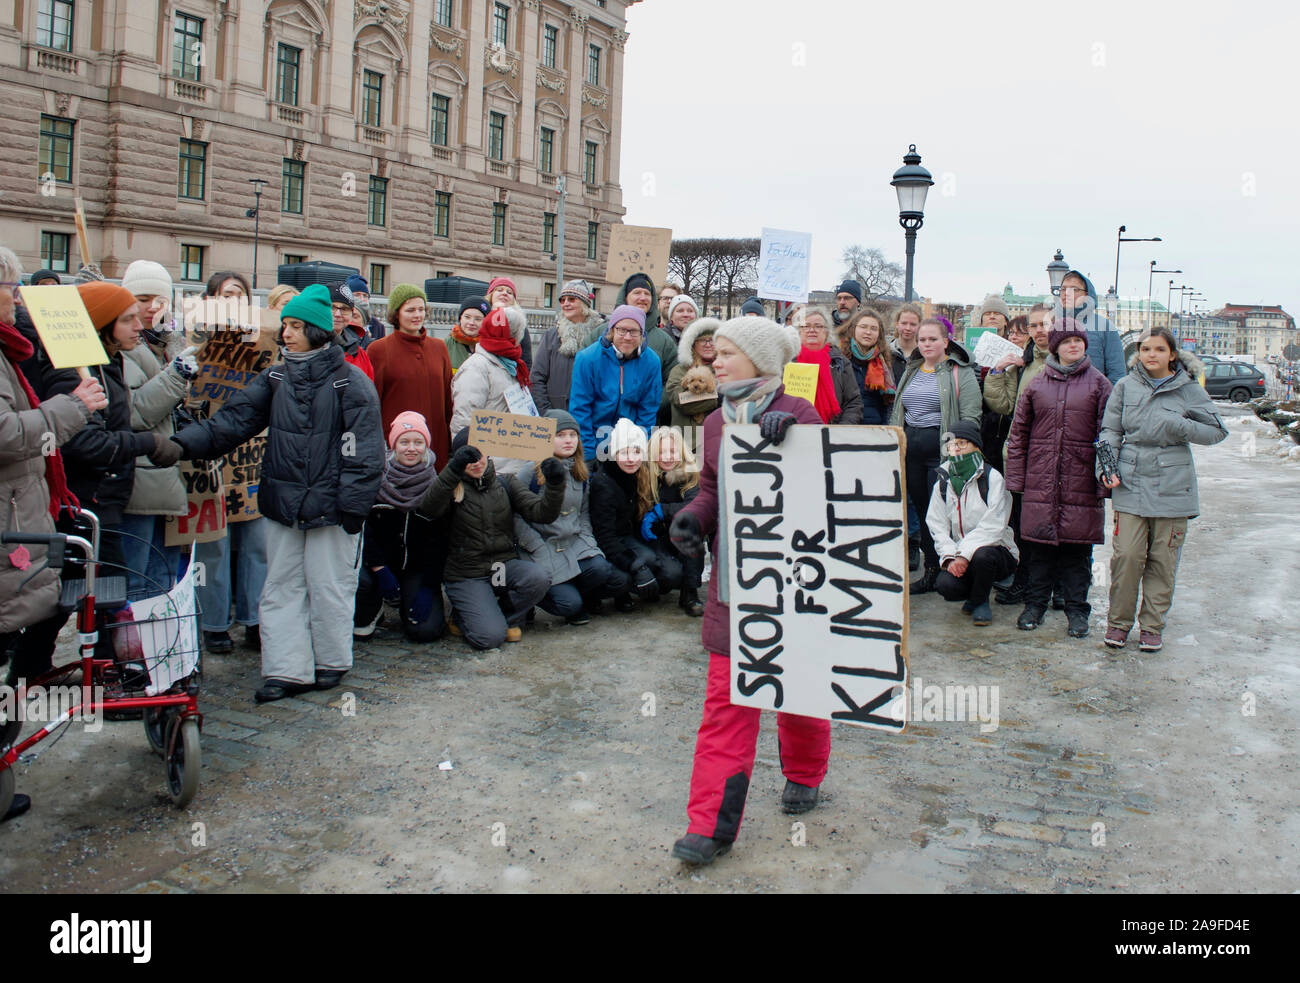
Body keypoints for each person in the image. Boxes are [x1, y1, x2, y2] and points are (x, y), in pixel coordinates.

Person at [170, 284, 385, 701]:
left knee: (329, 586)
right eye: (285, 325)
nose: (285, 333)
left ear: (319, 331)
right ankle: (287, 669)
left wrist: (354, 506)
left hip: (333, 508)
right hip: (283, 503)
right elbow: (232, 422)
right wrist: (180, 444)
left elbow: (366, 452)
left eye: (296, 326)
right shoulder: (275, 377)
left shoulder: (351, 384)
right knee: (281, 587)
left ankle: (331, 661)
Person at [666, 314, 829, 865]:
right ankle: (708, 825)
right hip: (734, 587)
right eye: (715, 353)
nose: (715, 360)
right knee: (725, 703)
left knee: (799, 688)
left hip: (795, 584)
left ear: (759, 361)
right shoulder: (715, 423)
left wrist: (797, 447)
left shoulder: (802, 414)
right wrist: (695, 517)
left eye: (727, 352)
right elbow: (713, 488)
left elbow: (829, 493)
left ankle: (805, 773)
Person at [1, 247, 105, 821]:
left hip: (23, 516)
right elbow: (4, 432)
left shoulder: (10, 348)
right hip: (9, 528)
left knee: (29, 629)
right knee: (13, 640)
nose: (16, 299)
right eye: (9, 289)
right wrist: (71, 408)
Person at [43, 283, 184, 586]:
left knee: (103, 598)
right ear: (101, 323)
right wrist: (148, 442)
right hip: (82, 503)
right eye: (126, 319)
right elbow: (85, 442)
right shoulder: (72, 371)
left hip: (106, 499)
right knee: (93, 598)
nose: (138, 326)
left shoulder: (109, 362)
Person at [1098, 328, 1227, 652]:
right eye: (1144, 349)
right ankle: (1118, 623)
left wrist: (1180, 425)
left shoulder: (1187, 390)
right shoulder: (1125, 387)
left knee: (1162, 560)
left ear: (1172, 354)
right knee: (1127, 555)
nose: (1150, 354)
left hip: (1173, 482)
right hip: (1131, 479)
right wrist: (1106, 467)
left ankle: (1152, 626)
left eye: (1158, 349)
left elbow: (1217, 431)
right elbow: (1110, 430)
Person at [1003, 319, 1113, 637]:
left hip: (1080, 482)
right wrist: (1017, 480)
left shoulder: (1099, 384)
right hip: (1041, 481)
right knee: (1038, 551)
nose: (1073, 346)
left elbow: (1107, 436)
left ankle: (1078, 612)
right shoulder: (1037, 384)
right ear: (1055, 347)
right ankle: (1034, 606)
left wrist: (1102, 480)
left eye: (1078, 340)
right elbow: (1019, 434)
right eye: (1066, 342)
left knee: (1078, 554)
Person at [418, 428, 565, 649]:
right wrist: (453, 470)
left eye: (482, 454)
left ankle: (505, 616)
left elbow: (541, 513)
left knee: (539, 577)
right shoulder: (450, 487)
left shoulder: (505, 483)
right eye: (470, 458)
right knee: (489, 638)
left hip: (501, 566)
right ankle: (465, 615)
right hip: (466, 574)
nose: (478, 462)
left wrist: (554, 484)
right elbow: (427, 509)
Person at [191, 271, 268, 654]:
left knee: (256, 544)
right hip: (211, 452)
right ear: (210, 299)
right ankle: (214, 623)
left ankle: (254, 620)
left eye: (239, 294)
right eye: (226, 293)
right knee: (214, 546)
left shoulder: (261, 341)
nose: (233, 299)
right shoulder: (193, 341)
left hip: (251, 453)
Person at [118, 260, 194, 597]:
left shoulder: (168, 343)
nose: (152, 308)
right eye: (143, 298)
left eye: (160, 299)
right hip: (139, 480)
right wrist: (177, 375)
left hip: (164, 476)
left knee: (162, 580)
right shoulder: (123, 348)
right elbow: (134, 413)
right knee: (133, 580)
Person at [890, 318, 982, 593]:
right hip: (912, 452)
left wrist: (957, 454)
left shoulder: (959, 371)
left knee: (946, 514)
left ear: (946, 342)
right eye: (922, 339)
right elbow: (900, 409)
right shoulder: (913, 369)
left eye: (932, 339)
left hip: (942, 452)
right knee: (922, 512)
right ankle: (931, 570)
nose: (926, 344)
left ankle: (955, 571)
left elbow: (971, 416)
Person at [513, 409, 629, 624]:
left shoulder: (581, 472)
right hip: (542, 547)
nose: (568, 440)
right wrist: (536, 547)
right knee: (569, 604)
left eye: (572, 435)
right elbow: (516, 517)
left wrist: (589, 544)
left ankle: (578, 592)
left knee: (606, 573)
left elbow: (583, 515)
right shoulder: (530, 473)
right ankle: (544, 597)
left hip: (574, 545)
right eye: (560, 435)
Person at [353, 411, 449, 642]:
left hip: (415, 568)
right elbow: (363, 529)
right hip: (379, 565)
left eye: (418, 442)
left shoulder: (435, 484)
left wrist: (428, 585)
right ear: (393, 444)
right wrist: (379, 568)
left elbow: (440, 541)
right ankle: (371, 608)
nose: (411, 448)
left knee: (426, 631)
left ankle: (411, 598)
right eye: (404, 442)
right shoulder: (376, 478)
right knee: (362, 583)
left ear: (426, 446)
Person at [984, 304, 1052, 605]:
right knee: (1024, 522)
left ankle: (1055, 586)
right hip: (1024, 455)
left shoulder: (1066, 361)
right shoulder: (1024, 364)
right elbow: (1004, 404)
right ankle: (1025, 582)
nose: (1039, 331)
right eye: (1034, 326)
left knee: (1050, 523)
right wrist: (999, 371)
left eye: (1044, 324)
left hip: (1053, 454)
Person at [927, 421, 1018, 626]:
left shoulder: (992, 478)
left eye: (963, 443)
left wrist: (965, 555)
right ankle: (974, 593)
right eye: (952, 444)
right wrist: (950, 557)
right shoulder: (943, 480)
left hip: (997, 551)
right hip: (960, 553)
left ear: (976, 447)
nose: (957, 448)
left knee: (983, 555)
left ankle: (980, 601)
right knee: (945, 584)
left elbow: (993, 526)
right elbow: (936, 524)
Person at [589, 418, 677, 610]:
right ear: (614, 454)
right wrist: (635, 565)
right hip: (608, 544)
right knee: (641, 564)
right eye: (624, 452)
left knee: (667, 571)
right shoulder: (604, 484)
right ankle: (622, 591)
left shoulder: (640, 475)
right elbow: (604, 536)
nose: (631, 458)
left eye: (636, 451)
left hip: (630, 537)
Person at [366, 283, 454, 469]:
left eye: (421, 309)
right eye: (410, 310)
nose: (417, 315)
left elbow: (448, 400)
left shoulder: (439, 347)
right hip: (398, 446)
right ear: (396, 314)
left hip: (436, 444)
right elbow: (373, 404)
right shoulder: (379, 350)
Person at [568, 305, 662, 460]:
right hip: (593, 436)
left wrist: (637, 448)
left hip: (629, 444)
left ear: (642, 334)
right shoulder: (587, 358)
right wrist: (589, 453)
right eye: (622, 330)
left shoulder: (651, 362)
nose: (627, 337)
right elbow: (580, 408)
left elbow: (648, 410)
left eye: (634, 331)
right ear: (612, 330)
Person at [450, 307, 534, 476]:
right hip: (492, 466)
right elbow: (464, 421)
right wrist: (475, 464)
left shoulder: (511, 364)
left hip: (514, 459)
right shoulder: (477, 367)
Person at [645, 426, 704, 616]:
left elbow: (694, 508)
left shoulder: (692, 474)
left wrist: (662, 510)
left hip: (681, 535)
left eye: (672, 451)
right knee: (669, 576)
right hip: (656, 537)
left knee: (691, 532)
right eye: (661, 452)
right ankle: (654, 584)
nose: (667, 457)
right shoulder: (645, 476)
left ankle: (690, 593)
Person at [584, 273, 677, 382]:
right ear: (625, 297)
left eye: (647, 293)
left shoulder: (665, 341)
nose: (643, 298)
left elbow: (671, 381)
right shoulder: (600, 333)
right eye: (637, 292)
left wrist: (653, 398)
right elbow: (583, 373)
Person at [532, 280, 602, 413]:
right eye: (562, 300)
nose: (566, 304)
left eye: (571, 299)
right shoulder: (552, 335)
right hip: (556, 413)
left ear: (585, 303)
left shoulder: (599, 335)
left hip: (591, 415)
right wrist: (546, 412)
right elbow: (537, 377)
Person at [792, 306, 862, 425]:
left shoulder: (840, 362)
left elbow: (853, 403)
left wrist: (841, 431)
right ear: (799, 330)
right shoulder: (787, 361)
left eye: (818, 326)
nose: (812, 330)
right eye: (806, 326)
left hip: (833, 434)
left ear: (827, 331)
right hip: (794, 432)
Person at [662, 316, 720, 451]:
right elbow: (681, 400)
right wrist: (719, 396)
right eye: (702, 340)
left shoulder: (726, 368)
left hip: (719, 443)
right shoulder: (680, 370)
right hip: (687, 443)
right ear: (692, 343)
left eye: (712, 340)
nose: (708, 344)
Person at [1059, 270, 1126, 385]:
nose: (1066, 293)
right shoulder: (1053, 324)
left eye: (1074, 289)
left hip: (1094, 399)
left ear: (1087, 295)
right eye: (1063, 289)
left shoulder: (1104, 327)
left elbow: (1117, 373)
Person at [841, 307, 896, 425]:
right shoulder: (840, 360)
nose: (868, 332)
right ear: (853, 329)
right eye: (863, 327)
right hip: (845, 426)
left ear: (879, 334)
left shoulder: (884, 363)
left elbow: (887, 405)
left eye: (874, 329)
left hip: (874, 428)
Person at [327, 283, 374, 381]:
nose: (338, 314)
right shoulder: (307, 347)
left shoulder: (360, 353)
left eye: (344, 309)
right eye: (332, 307)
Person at [485, 277, 533, 367]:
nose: (504, 293)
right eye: (499, 290)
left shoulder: (520, 326)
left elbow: (526, 360)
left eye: (509, 292)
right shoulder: (480, 317)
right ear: (491, 295)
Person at [447, 295, 489, 373]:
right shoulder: (445, 345)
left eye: (478, 319)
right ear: (460, 318)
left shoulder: (490, 348)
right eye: (467, 317)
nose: (471, 323)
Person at [345, 273, 386, 346]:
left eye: (365, 296)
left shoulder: (377, 325)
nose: (362, 299)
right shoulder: (343, 321)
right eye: (357, 295)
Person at [889, 302, 923, 383]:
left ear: (919, 326)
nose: (908, 328)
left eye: (913, 324)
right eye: (904, 323)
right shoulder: (885, 352)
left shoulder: (925, 355)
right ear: (897, 324)